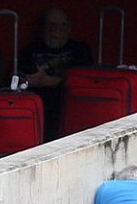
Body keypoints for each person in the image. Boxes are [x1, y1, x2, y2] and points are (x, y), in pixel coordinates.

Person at [18, 7, 93, 140]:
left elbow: (85, 82)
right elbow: (19, 80)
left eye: (59, 25)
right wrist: (28, 81)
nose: (54, 29)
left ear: (68, 28)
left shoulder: (81, 51)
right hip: (37, 108)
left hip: (69, 107)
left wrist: (48, 81)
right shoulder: (29, 51)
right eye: (50, 24)